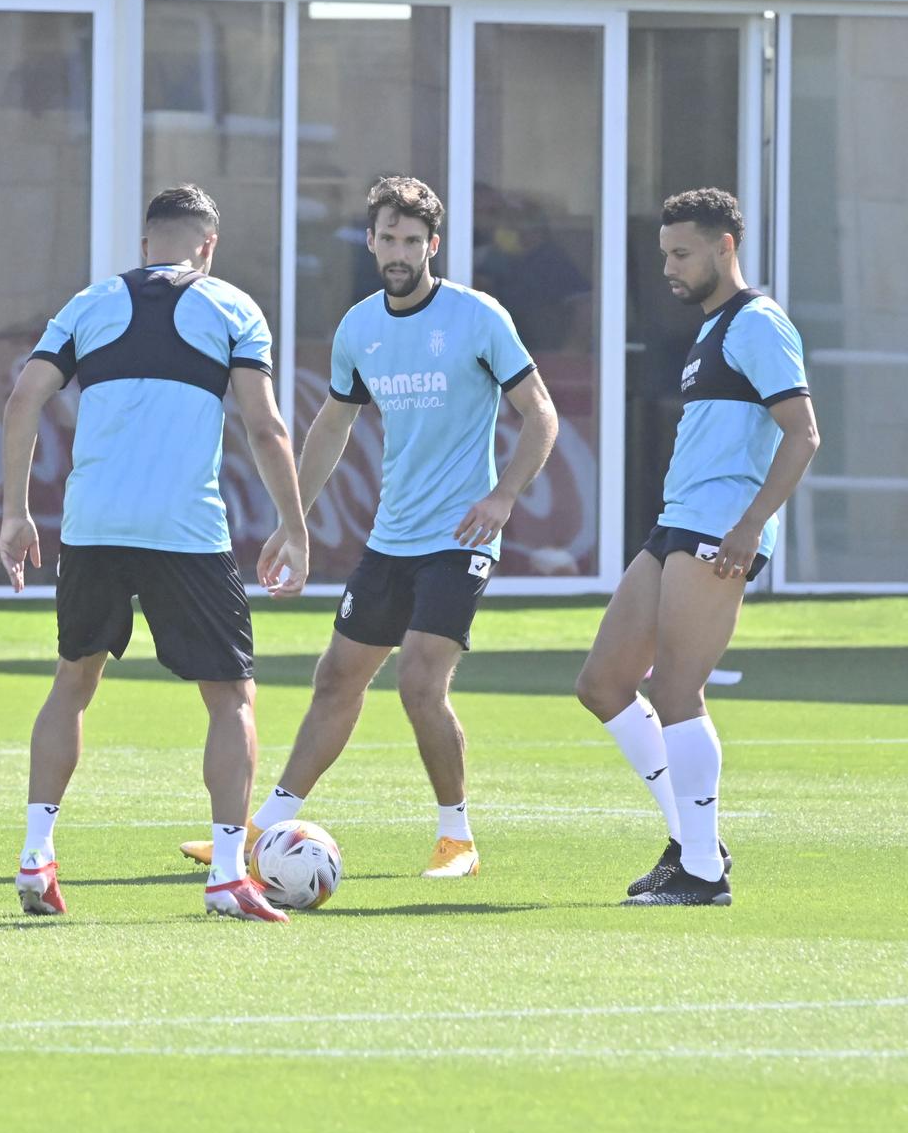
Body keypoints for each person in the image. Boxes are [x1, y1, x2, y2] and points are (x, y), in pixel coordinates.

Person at [189, 176, 558, 880]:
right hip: (392, 538)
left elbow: (540, 414)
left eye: (412, 240)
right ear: (370, 240)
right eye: (387, 238)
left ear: (434, 246)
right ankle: (265, 825)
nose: (398, 251)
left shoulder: (478, 317)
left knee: (420, 682)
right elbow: (334, 422)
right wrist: (292, 522)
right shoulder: (360, 327)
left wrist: (504, 498)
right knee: (336, 679)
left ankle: (457, 838)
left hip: (461, 538)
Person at [0, 184, 309, 923]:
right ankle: (230, 873)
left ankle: (36, 853)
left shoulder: (88, 304)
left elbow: (22, 401)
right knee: (230, 697)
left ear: (146, 245)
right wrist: (293, 524)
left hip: (93, 523)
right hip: (183, 529)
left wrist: (15, 510)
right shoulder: (233, 308)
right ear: (208, 246)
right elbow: (265, 428)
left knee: (73, 681)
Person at [573, 187, 816, 906]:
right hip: (678, 521)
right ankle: (693, 841)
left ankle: (704, 872)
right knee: (603, 682)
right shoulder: (711, 329)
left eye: (682, 253)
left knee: (676, 690)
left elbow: (803, 433)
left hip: (719, 528)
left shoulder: (758, 322)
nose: (671, 267)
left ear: (724, 247)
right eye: (666, 254)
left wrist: (749, 525)